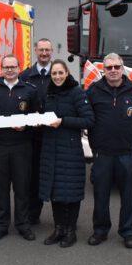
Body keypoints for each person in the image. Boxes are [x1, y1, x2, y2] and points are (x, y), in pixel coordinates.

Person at [86, 53, 132, 249]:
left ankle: (128, 231)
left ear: (123, 68)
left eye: (116, 67)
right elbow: (88, 119)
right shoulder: (93, 91)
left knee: (128, 195)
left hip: (126, 153)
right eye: (109, 67)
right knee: (101, 195)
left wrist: (129, 137)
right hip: (102, 153)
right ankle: (100, 230)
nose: (113, 71)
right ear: (104, 70)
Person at [38, 60, 94, 248]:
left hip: (69, 150)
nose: (57, 76)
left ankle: (70, 231)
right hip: (50, 149)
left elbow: (88, 120)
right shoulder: (49, 93)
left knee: (71, 191)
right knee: (55, 191)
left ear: (67, 72)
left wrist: (63, 121)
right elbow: (43, 114)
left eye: (60, 73)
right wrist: (40, 121)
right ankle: (59, 228)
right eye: (54, 74)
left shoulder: (76, 92)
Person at [0, 54, 38, 241]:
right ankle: (1, 225)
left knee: (22, 188)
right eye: (6, 67)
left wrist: (26, 125)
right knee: (0, 188)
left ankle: (23, 224)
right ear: (1, 69)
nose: (10, 70)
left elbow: (36, 116)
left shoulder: (30, 90)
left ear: (19, 68)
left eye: (13, 67)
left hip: (22, 146)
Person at [20, 38, 54, 224]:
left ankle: (60, 217)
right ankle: (32, 214)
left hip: (52, 134)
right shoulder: (25, 76)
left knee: (51, 174)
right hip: (30, 136)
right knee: (31, 176)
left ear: (51, 52)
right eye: (41, 50)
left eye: (47, 50)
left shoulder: (59, 75)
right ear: (35, 51)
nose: (44, 53)